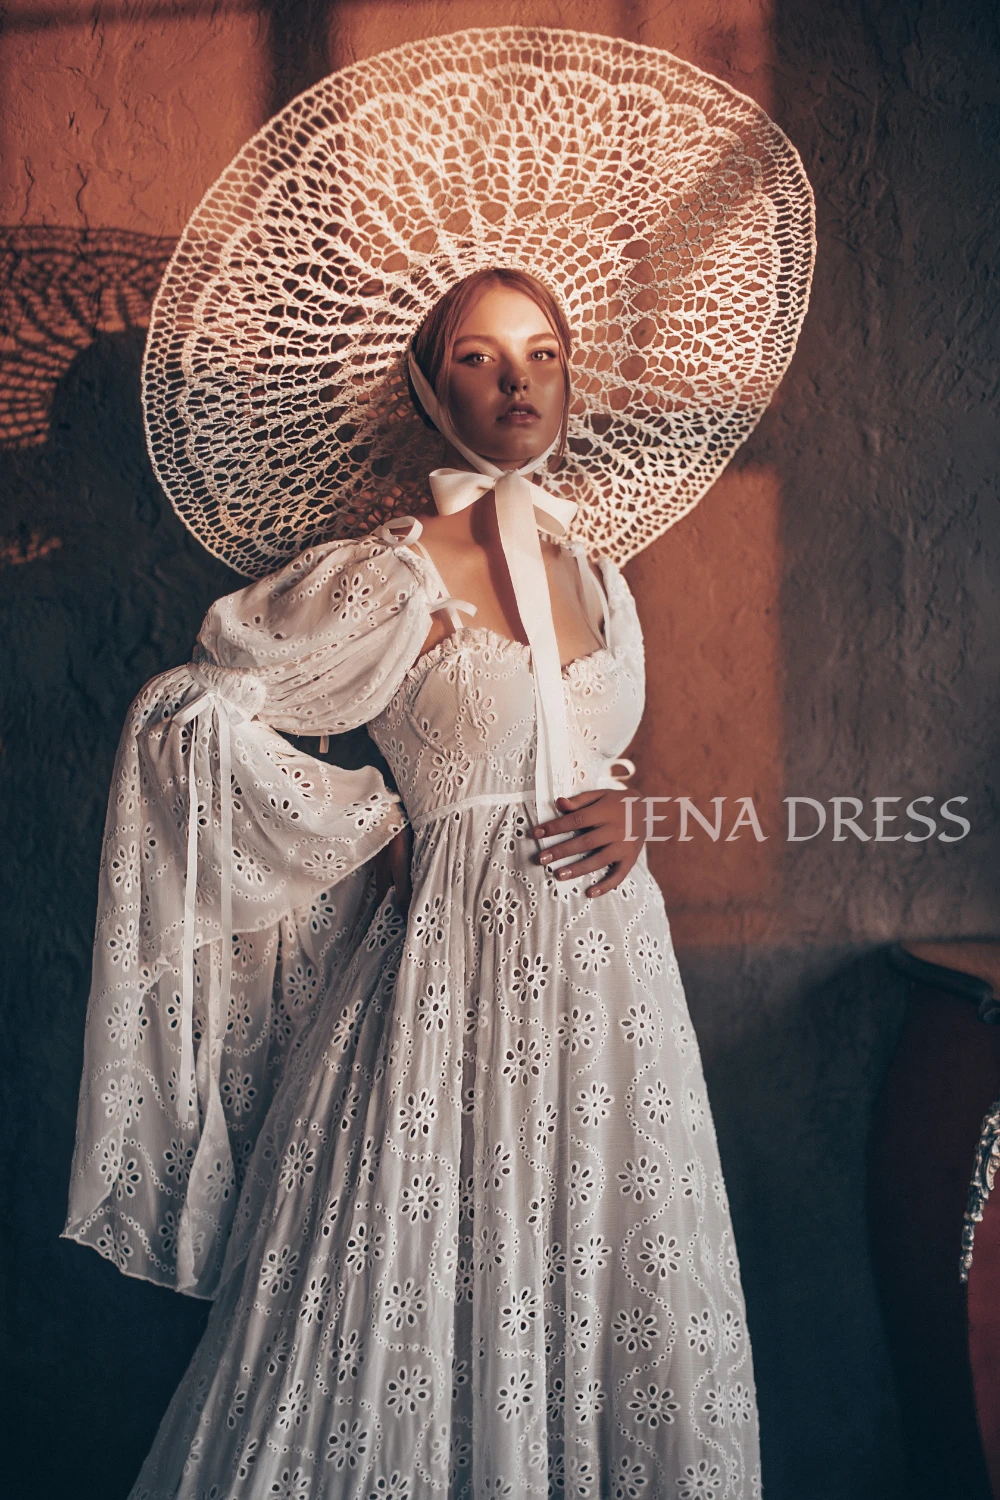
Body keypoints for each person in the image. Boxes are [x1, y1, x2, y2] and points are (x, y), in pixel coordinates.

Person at [63, 28, 814, 1498]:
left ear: (571, 381)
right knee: (410, 1285)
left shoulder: (604, 576)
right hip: (447, 981)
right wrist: (372, 821)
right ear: (427, 388)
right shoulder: (382, 578)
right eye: (476, 358)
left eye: (539, 355)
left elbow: (589, 752)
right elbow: (189, 716)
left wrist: (632, 810)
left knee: (595, 1281)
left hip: (610, 985)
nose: (513, 383)